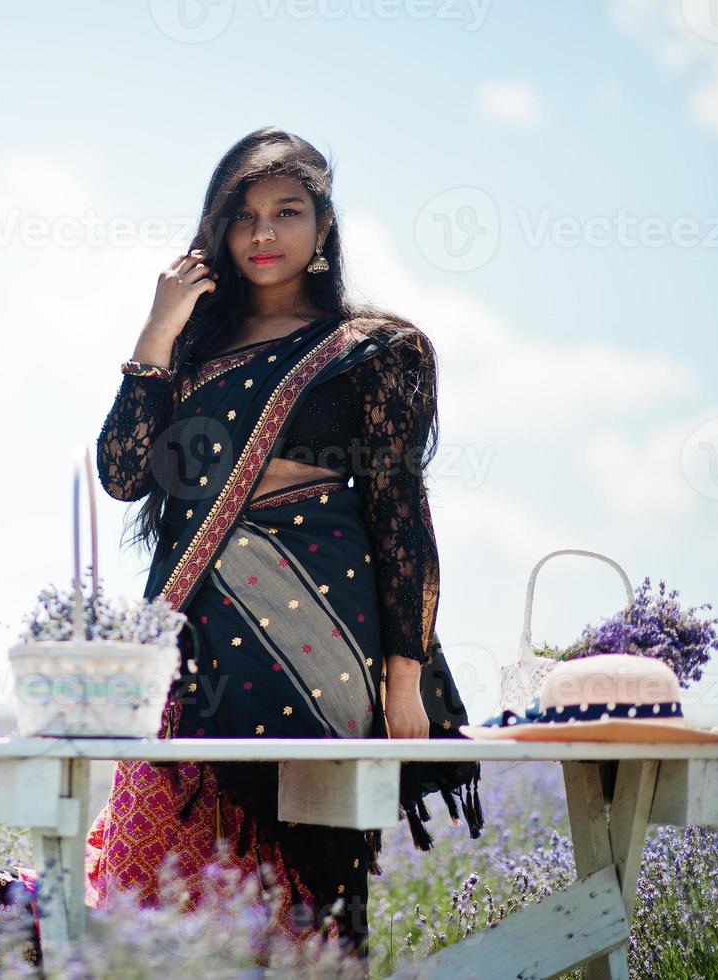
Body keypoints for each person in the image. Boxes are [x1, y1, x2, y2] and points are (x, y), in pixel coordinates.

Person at [85, 126, 485, 964]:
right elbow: (123, 474)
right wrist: (157, 329)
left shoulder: (373, 351)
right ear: (216, 233)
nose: (263, 235)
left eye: (286, 213)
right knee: (154, 882)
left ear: (323, 228)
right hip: (190, 650)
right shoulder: (190, 353)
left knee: (307, 879)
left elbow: (399, 512)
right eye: (243, 217)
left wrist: (403, 675)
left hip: (320, 648)